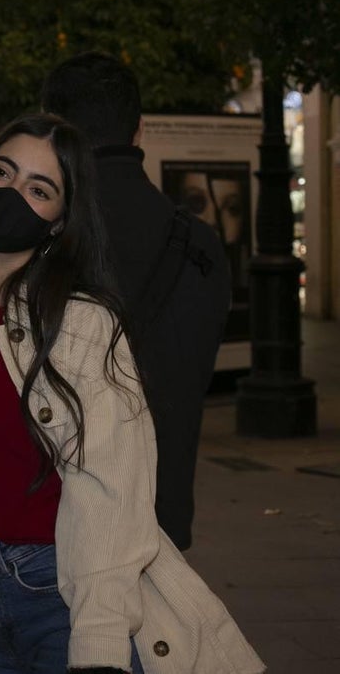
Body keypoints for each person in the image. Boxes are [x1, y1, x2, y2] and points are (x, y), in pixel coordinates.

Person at [0, 114, 262, 674]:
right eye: (3, 171)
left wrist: (98, 647)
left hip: (62, 599)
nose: (12, 192)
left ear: (58, 224)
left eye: (39, 189)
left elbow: (109, 491)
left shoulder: (81, 324)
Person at [41, 52, 232, 551]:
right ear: (139, 129)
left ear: (52, 133)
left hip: (54, 531)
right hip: (160, 523)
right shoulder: (201, 245)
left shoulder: (41, 240)